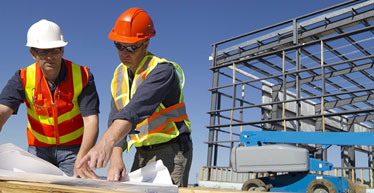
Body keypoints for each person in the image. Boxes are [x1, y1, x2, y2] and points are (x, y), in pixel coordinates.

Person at [77, 8, 192, 187]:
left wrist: (105, 143)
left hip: (172, 148)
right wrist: (116, 156)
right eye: (119, 46)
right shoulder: (119, 75)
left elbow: (134, 110)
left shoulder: (162, 71)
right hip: (142, 151)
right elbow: (116, 116)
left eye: (131, 47)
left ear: (146, 43)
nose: (124, 52)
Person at [0, 19, 100, 179]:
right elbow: (3, 111)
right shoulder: (23, 77)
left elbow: (91, 121)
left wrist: (82, 157)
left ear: (62, 50)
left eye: (54, 50)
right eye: (43, 51)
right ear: (33, 54)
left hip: (74, 149)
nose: (50, 57)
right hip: (38, 149)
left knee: (72, 188)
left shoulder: (83, 76)